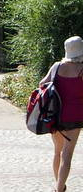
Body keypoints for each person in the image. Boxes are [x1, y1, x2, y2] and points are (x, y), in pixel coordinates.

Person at [39, 36, 83, 192]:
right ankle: (59, 189)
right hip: (75, 117)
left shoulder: (56, 67)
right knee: (67, 155)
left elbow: (42, 84)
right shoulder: (82, 70)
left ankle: (59, 185)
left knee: (57, 152)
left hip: (55, 115)